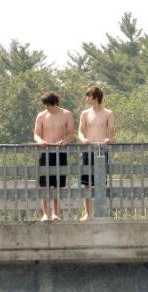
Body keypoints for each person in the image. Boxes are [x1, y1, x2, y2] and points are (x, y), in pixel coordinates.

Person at [33, 91, 74, 222]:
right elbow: (36, 133)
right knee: (44, 184)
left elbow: (71, 133)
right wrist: (40, 141)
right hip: (45, 152)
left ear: (55, 103)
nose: (46, 107)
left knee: (57, 184)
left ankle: (56, 213)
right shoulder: (41, 115)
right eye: (45, 105)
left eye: (48, 105)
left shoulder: (66, 114)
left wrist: (66, 141)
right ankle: (45, 213)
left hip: (60, 152)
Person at [77, 85, 116, 221]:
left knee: (101, 183)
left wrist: (108, 140)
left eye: (88, 96)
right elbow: (80, 131)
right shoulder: (85, 113)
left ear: (95, 97)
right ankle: (87, 213)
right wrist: (83, 139)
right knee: (86, 183)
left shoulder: (108, 113)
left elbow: (112, 133)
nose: (87, 99)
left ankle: (101, 213)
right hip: (87, 150)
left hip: (101, 150)